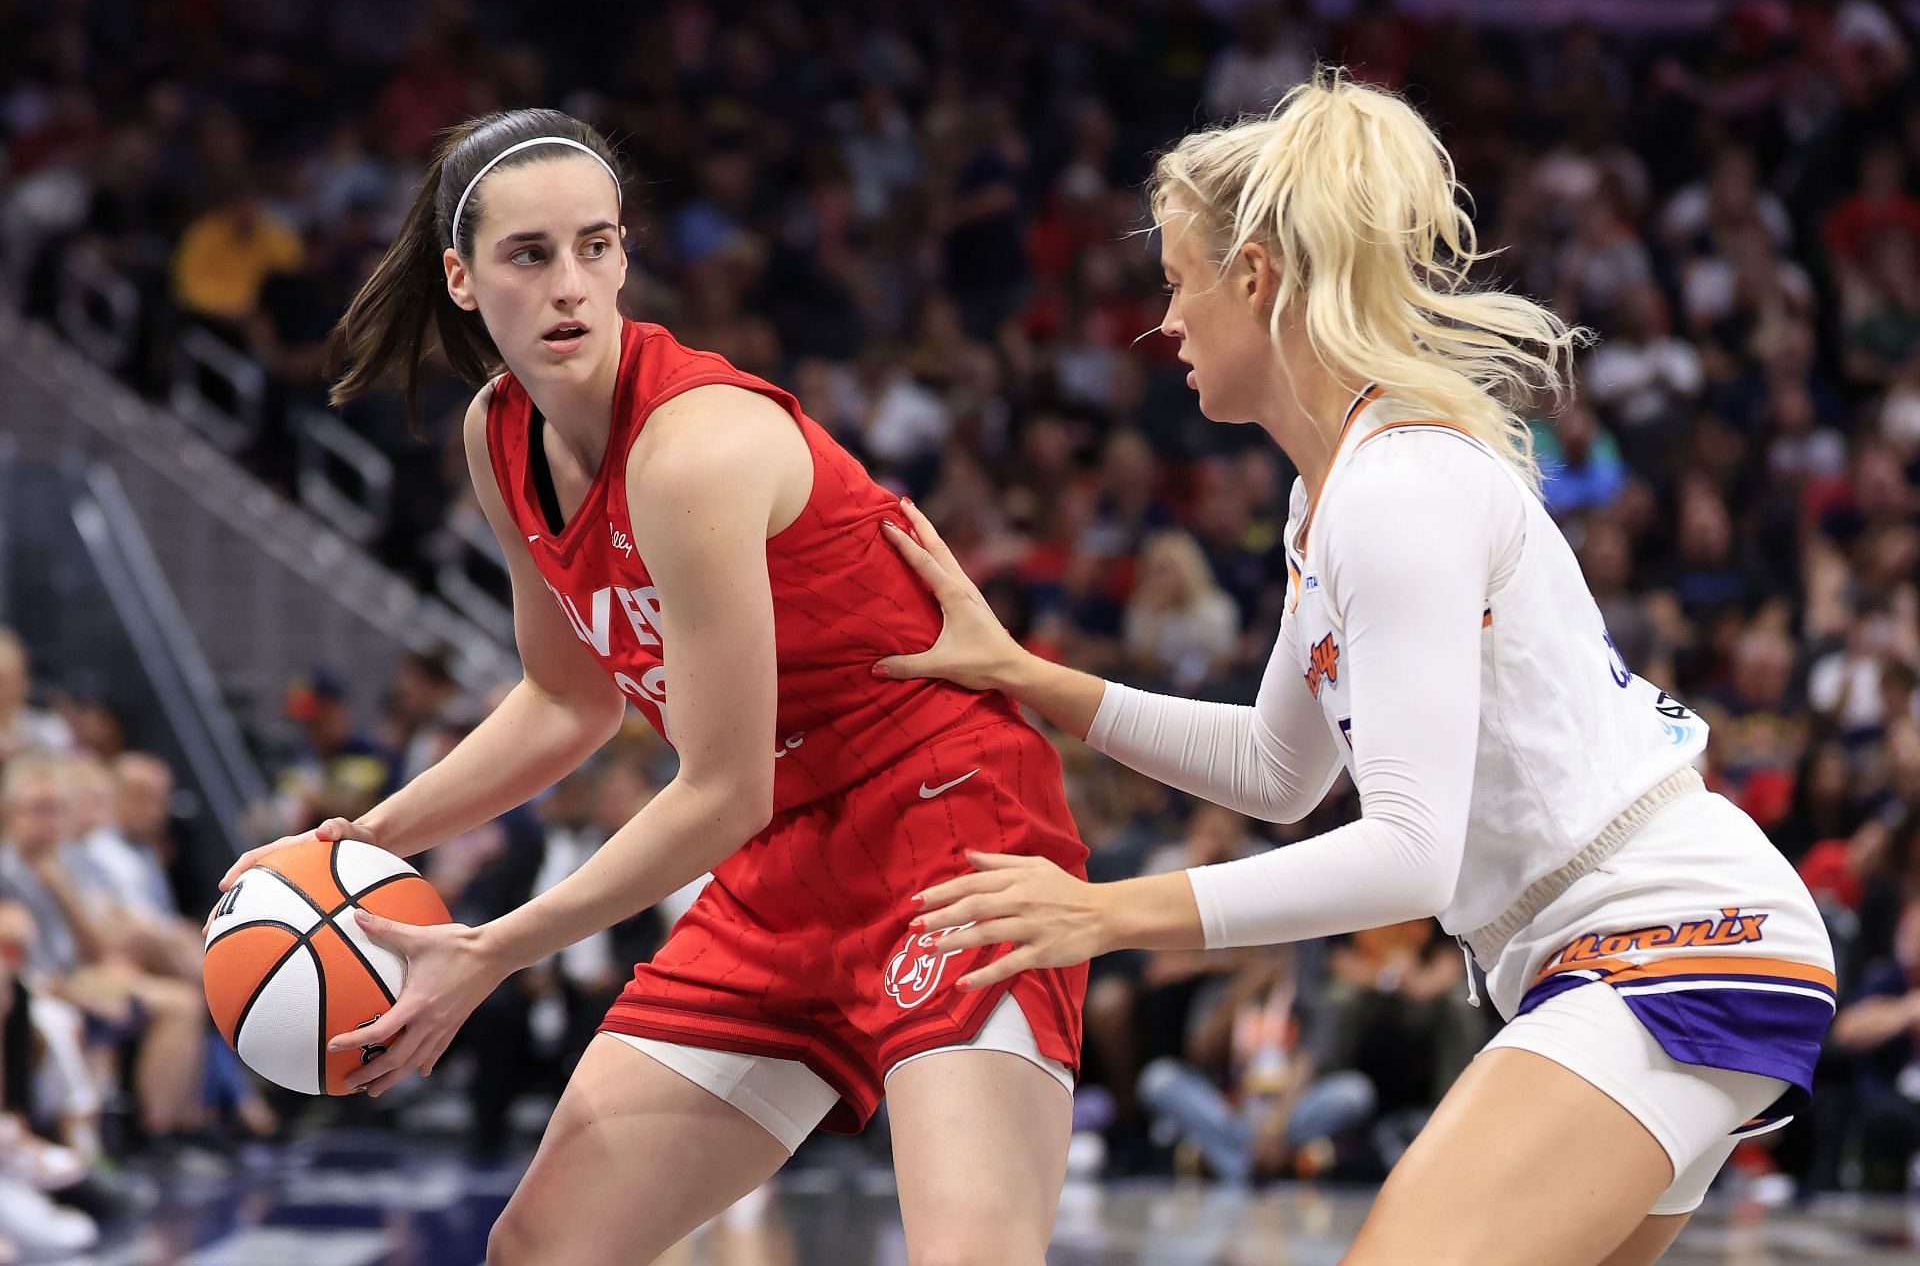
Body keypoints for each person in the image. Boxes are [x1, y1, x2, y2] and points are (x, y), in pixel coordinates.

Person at [874, 69, 1835, 1266]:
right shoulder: (1327, 494)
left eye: (1178, 282)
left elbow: (1408, 849)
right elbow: (1278, 769)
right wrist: (1031, 676)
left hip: (1664, 940)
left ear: (1258, 277)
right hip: (1615, 951)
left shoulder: (1394, 489)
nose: (1162, 323)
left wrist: (1108, 912)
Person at [216, 107, 1087, 1266]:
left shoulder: (693, 450)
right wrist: (366, 836)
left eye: (598, 245)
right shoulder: (499, 433)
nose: (572, 284)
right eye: (531, 255)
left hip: (951, 833)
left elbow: (719, 789)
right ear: (462, 280)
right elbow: (568, 699)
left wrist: (493, 945)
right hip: (787, 860)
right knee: (544, 1247)